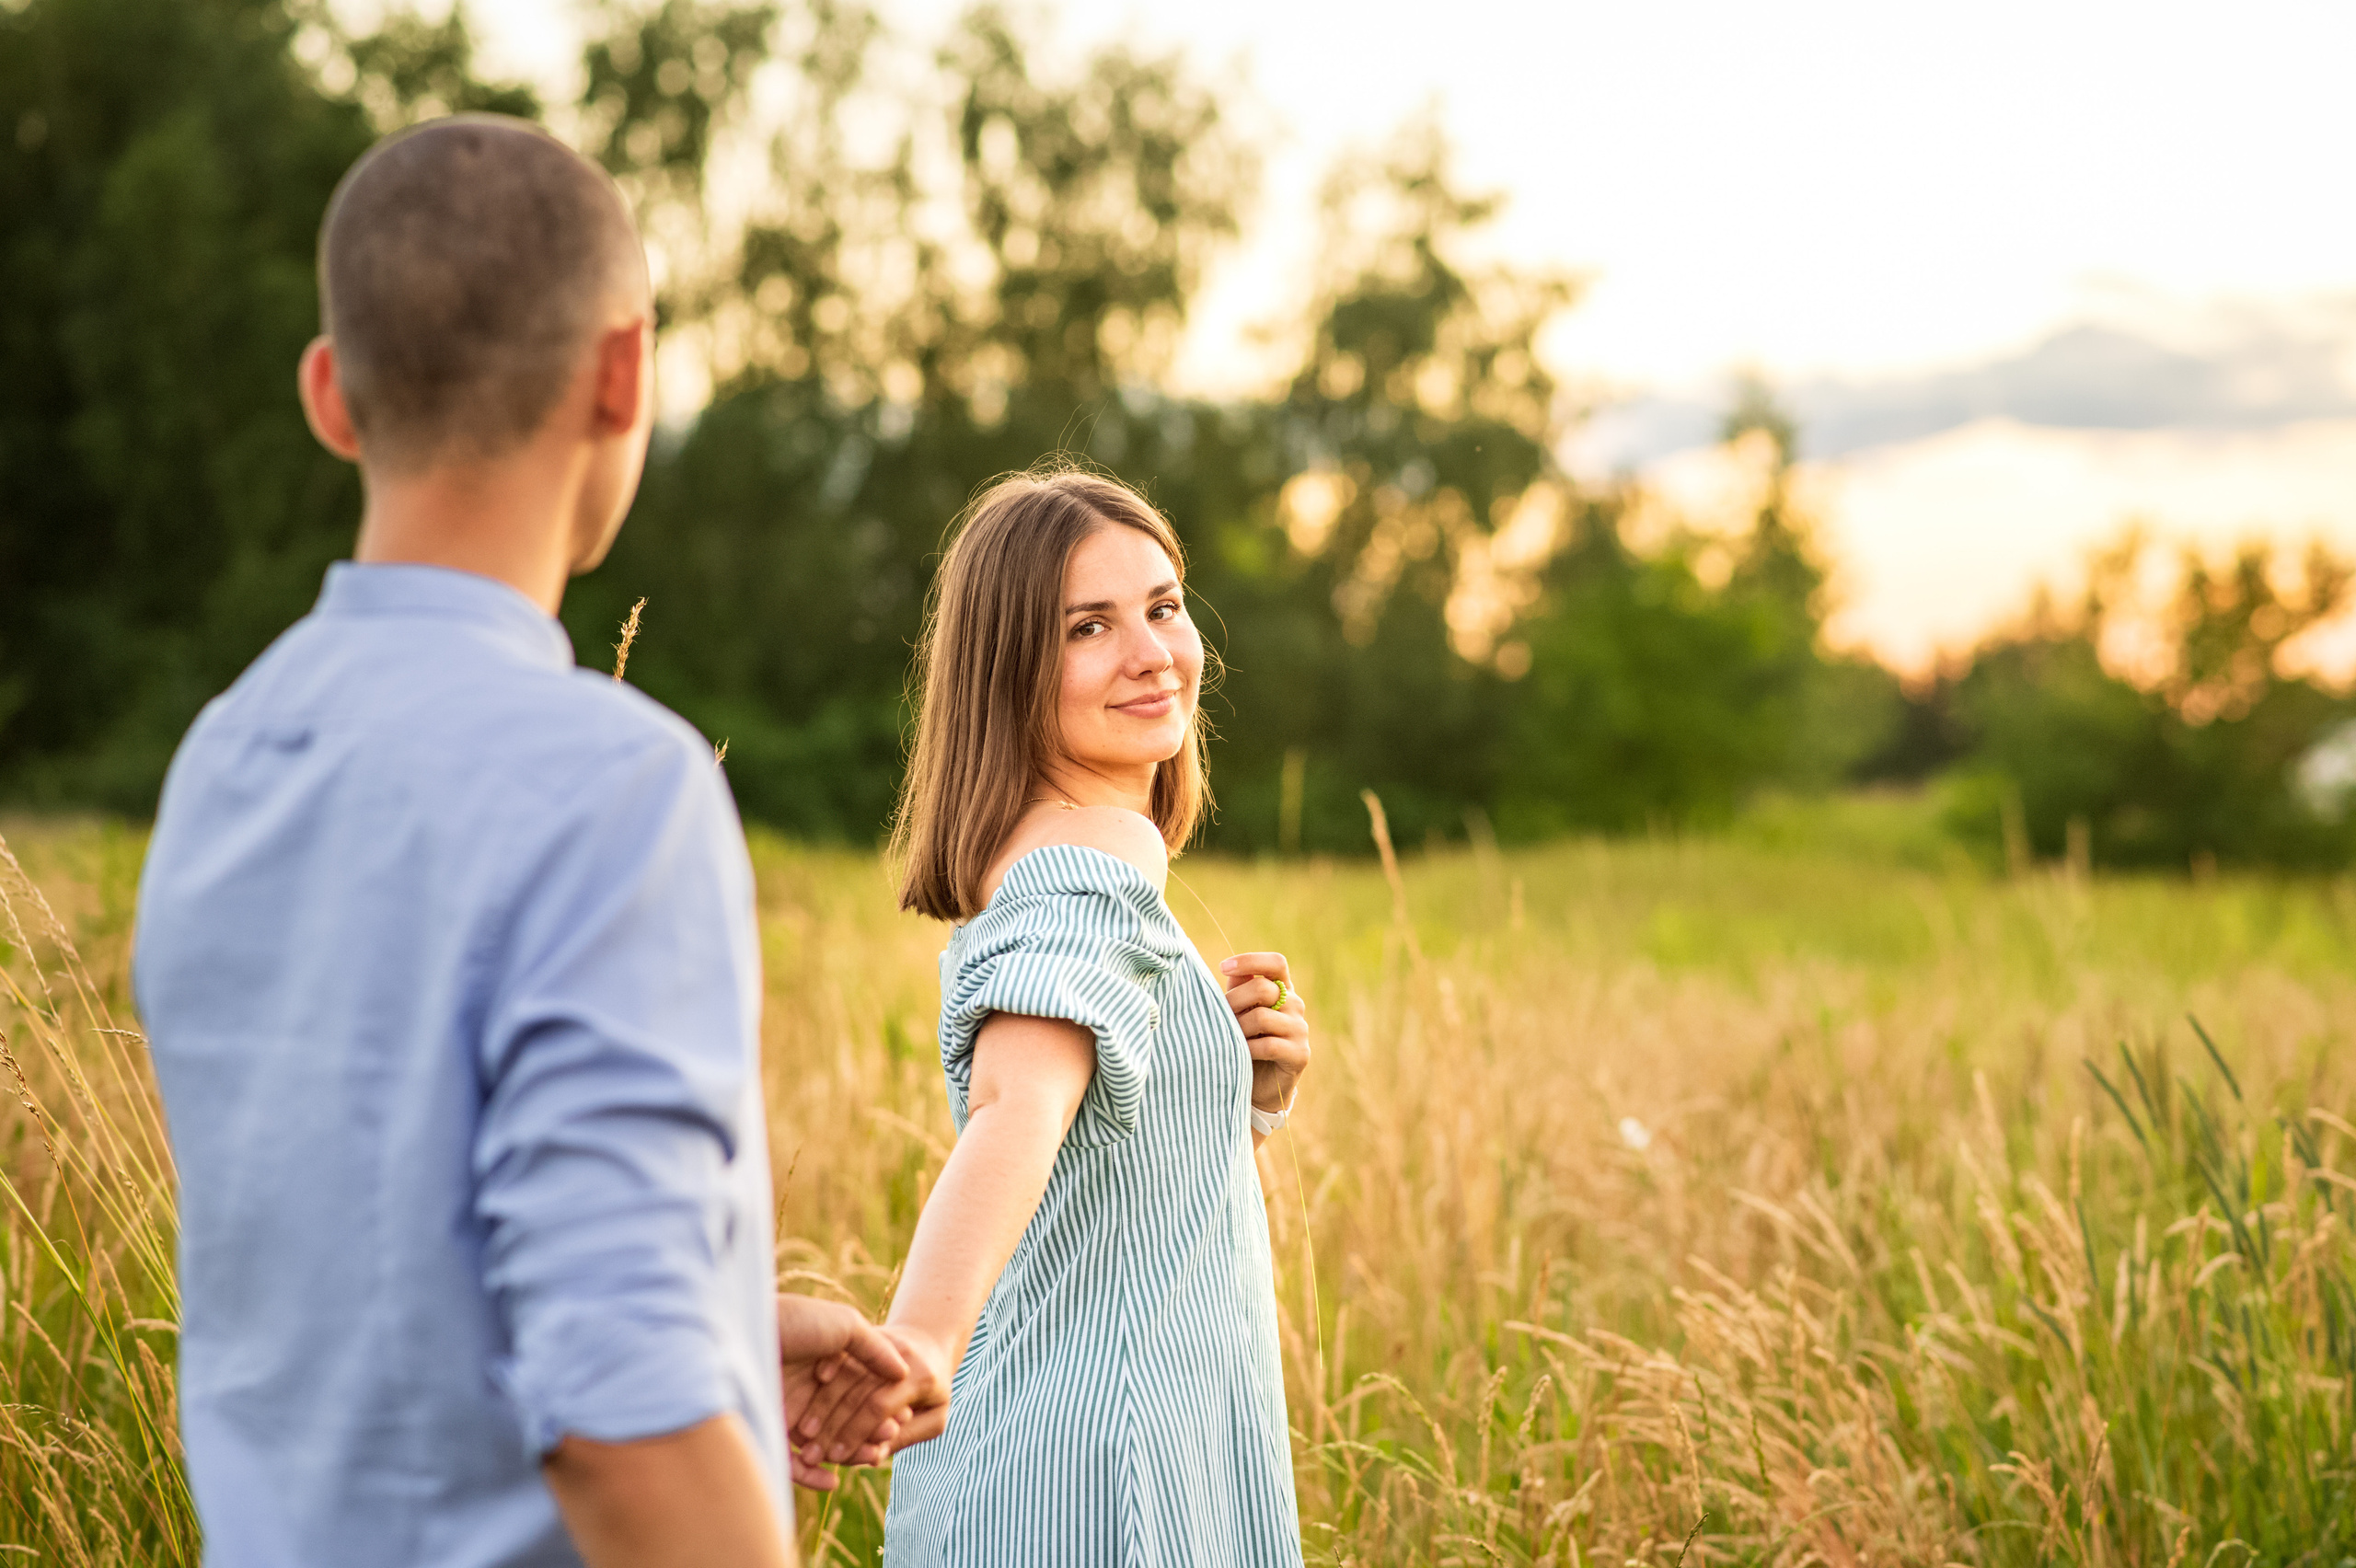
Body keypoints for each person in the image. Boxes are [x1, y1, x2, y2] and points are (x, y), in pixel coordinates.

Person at [133, 116, 927, 1568]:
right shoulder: (616, 786)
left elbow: (368, 1292)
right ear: (623, 374)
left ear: (331, 395)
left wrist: (729, 1333)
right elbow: (623, 1435)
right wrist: (688, 1393)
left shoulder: (223, 764)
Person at [842, 467, 1313, 1564]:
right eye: (1088, 627)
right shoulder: (1091, 856)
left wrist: (1244, 1100)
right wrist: (918, 1342)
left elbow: (1103, 1183)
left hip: (1094, 1460)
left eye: (1162, 606)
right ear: (1011, 675)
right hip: (1095, 1485)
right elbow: (1017, 1107)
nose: (1151, 651)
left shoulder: (1062, 859)